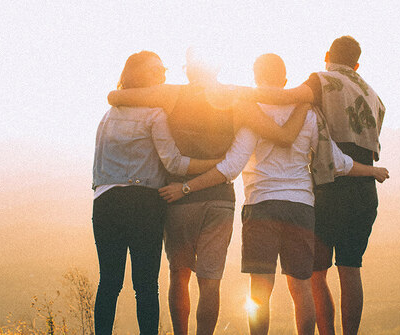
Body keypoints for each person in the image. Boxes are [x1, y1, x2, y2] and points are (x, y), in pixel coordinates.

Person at [159, 53, 388, 335]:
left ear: (256, 78)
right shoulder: (309, 113)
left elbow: (231, 167)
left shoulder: (252, 113)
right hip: (301, 207)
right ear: (285, 79)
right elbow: (335, 161)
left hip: (261, 207)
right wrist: (371, 171)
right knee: (301, 286)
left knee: (260, 289)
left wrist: (187, 187)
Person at [107, 48, 307, 335]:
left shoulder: (170, 93)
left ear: (189, 69)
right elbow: (282, 133)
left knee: (179, 275)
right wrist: (307, 96)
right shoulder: (237, 97)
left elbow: (116, 97)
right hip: (219, 200)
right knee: (210, 282)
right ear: (217, 67)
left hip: (178, 199)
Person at [244, 36, 387, 335]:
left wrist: (236, 95)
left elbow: (285, 98)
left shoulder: (321, 80)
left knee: (315, 275)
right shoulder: (373, 96)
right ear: (357, 64)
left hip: (330, 187)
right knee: (351, 270)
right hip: (363, 188)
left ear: (327, 55)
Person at [91, 51, 221, 335]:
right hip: (143, 203)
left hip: (105, 202)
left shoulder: (108, 115)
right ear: (139, 74)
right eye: (156, 70)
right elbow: (174, 162)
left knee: (109, 283)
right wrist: (216, 165)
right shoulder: (154, 113)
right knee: (146, 285)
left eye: (164, 68)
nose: (163, 74)